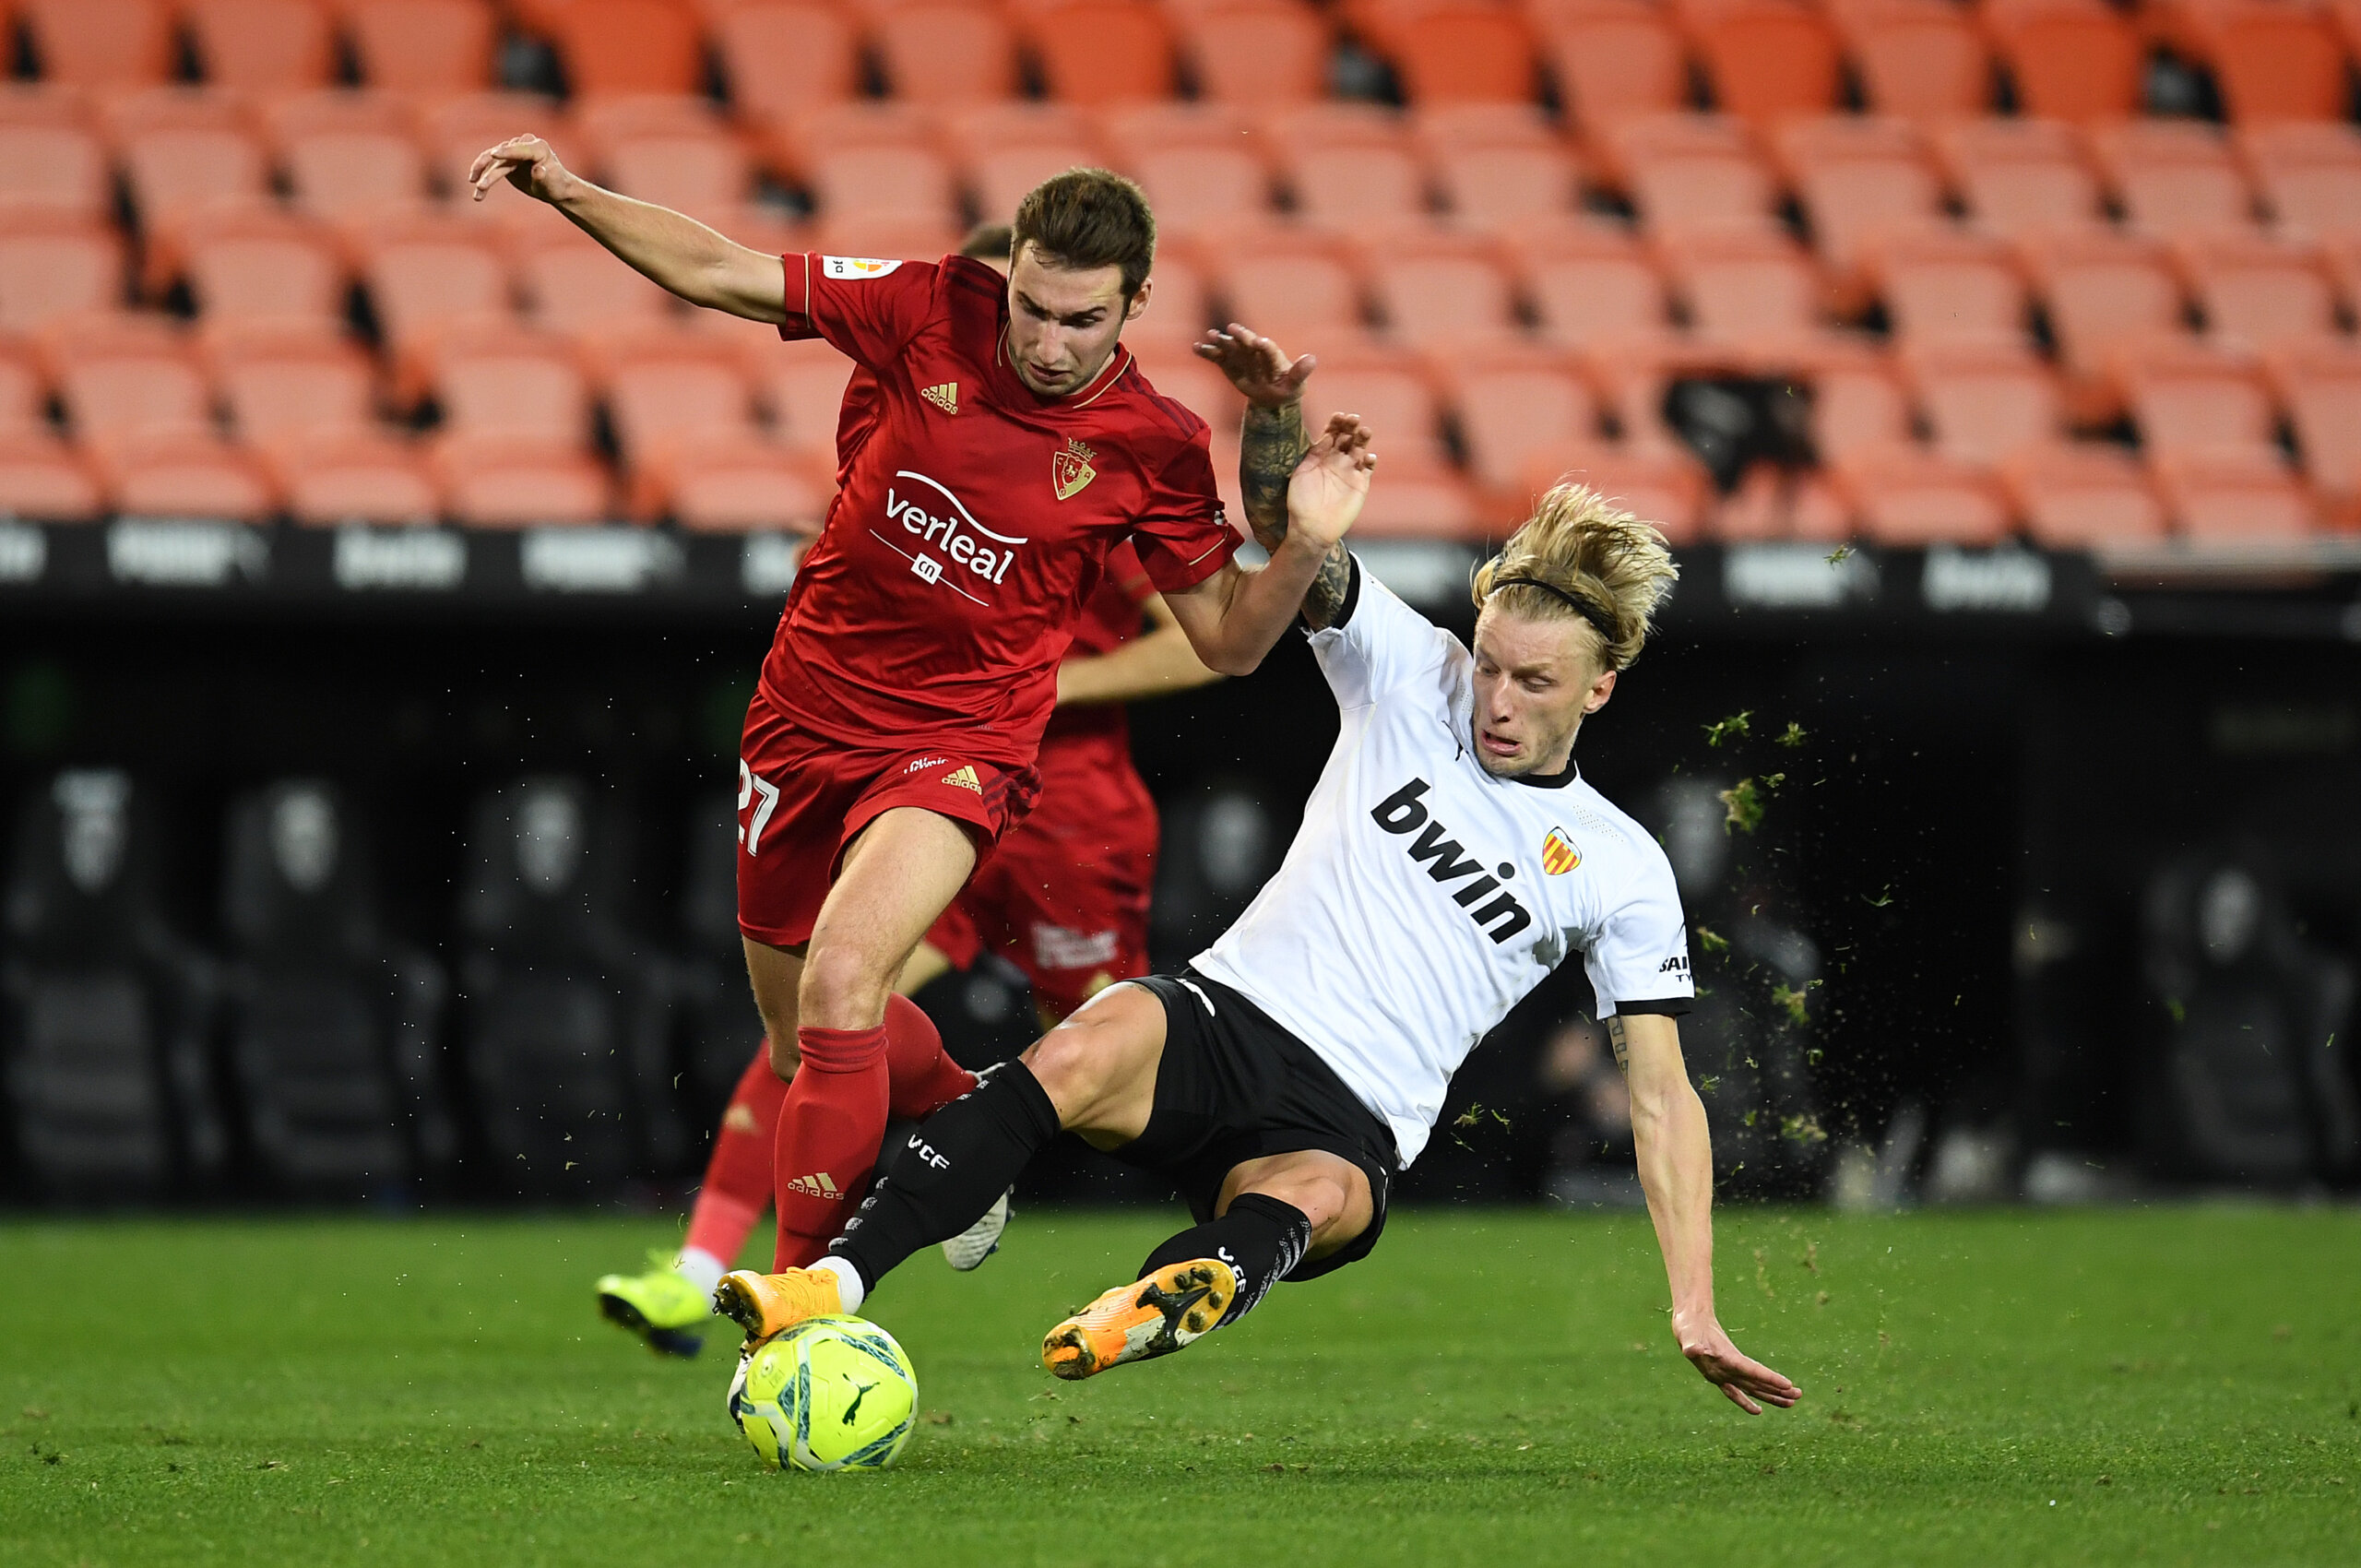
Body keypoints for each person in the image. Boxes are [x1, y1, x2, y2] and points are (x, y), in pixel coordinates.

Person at [713, 398, 1801, 1417]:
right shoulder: (1413, 669)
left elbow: (1661, 1097)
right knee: (1074, 1050)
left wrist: (1692, 1300)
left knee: (1316, 1200)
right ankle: (832, 1283)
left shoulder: (1621, 865)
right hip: (1222, 1012)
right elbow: (1297, 550)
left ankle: (1167, 1293)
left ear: (1600, 688)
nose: (1498, 700)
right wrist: (1276, 425)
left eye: (1535, 684)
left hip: (1352, 1115)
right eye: (1492, 668)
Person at [465, 141, 1330, 1289]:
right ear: (1007, 273)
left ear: (1133, 305)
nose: (1048, 339)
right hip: (803, 716)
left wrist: (1305, 529)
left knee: (842, 982)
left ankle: (803, 1299)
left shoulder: (1152, 442)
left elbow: (1226, 638)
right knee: (797, 1036)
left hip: (962, 744)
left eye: (1081, 319)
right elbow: (725, 270)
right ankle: (959, 1102)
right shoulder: (929, 303)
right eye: (1031, 305)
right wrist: (571, 191)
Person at [590, 243, 1226, 1359]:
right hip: (921, 769)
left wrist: (1047, 679)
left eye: (1057, 319)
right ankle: (720, 1270)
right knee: (820, 1010)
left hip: (1068, 810)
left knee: (1089, 1073)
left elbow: (1201, 639)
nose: (1023, 344)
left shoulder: (1107, 464)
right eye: (1008, 314)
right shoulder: (916, 398)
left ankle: (1246, 1192)